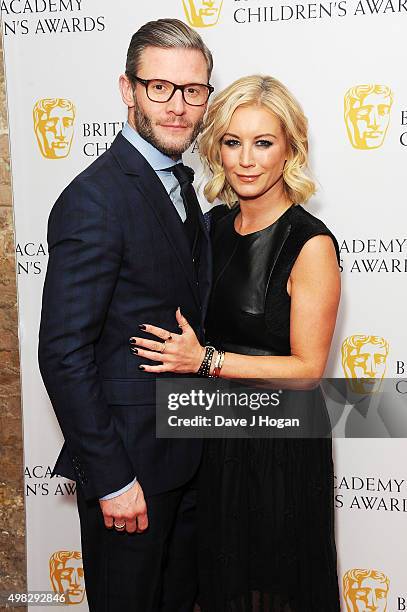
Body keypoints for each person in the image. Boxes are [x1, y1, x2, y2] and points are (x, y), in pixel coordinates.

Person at [130, 75, 341, 611]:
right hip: (214, 439)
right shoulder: (212, 227)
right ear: (215, 147)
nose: (246, 159)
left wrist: (207, 361)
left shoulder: (309, 242)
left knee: (269, 591)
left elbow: (309, 369)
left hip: (278, 451)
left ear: (289, 149)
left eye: (263, 142)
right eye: (232, 142)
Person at [38, 18, 213, 611]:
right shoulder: (96, 198)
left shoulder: (180, 183)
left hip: (184, 457)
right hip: (130, 471)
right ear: (127, 89)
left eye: (193, 90)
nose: (177, 106)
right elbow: (62, 352)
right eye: (159, 87)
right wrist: (112, 478)